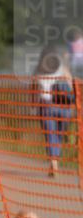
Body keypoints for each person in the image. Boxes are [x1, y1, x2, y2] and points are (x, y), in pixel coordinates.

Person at [35, 43, 74, 178]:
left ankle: (54, 162)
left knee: (50, 135)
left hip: (45, 106)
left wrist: (33, 105)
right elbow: (70, 85)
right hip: (64, 107)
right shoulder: (62, 67)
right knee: (58, 134)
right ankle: (55, 159)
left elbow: (34, 90)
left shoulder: (38, 69)